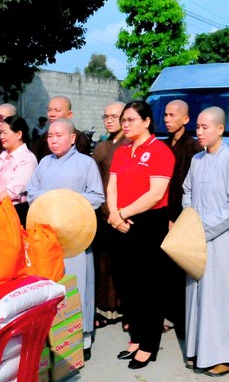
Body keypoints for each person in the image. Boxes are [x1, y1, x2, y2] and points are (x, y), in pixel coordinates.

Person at [26, 119, 104, 359]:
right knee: (51, 285)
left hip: (76, 236)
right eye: (50, 136)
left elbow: (97, 196)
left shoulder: (86, 163)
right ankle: (53, 336)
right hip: (48, 238)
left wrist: (70, 203)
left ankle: (82, 338)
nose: (54, 140)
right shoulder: (43, 164)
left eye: (59, 135)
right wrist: (53, 201)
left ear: (72, 138)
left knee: (78, 285)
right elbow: (31, 192)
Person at [107, 101, 174, 370]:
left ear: (146, 122)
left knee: (148, 286)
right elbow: (112, 185)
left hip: (148, 223)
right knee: (126, 283)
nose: (125, 124)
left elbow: (156, 193)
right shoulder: (121, 151)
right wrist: (114, 214)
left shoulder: (160, 151)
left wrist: (121, 213)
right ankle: (134, 338)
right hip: (120, 221)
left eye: (131, 119)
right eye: (124, 120)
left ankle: (148, 344)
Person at [182, 107, 229, 377]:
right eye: (197, 127)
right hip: (195, 236)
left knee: (218, 296)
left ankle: (223, 355)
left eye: (205, 127)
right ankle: (197, 349)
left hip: (219, 238)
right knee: (196, 293)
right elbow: (187, 191)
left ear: (220, 129)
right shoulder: (197, 159)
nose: (199, 132)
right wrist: (189, 218)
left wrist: (203, 227)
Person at [161, 99, 203, 336]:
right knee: (165, 269)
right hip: (163, 213)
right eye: (165, 115)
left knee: (182, 269)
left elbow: (194, 190)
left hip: (183, 216)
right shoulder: (162, 146)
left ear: (186, 119)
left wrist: (182, 219)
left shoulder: (194, 149)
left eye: (173, 115)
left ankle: (183, 318)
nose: (167, 119)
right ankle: (168, 314)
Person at [91, 101, 128, 328]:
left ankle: (126, 310)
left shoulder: (130, 146)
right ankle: (104, 309)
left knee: (124, 265)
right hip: (103, 213)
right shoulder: (102, 147)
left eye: (114, 116)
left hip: (125, 213)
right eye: (106, 116)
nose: (109, 120)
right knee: (103, 263)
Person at [0, 115, 37, 225]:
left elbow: (13, 190)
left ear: (18, 134)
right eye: (1, 133)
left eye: (5, 133)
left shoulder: (27, 159)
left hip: (12, 213)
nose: (1, 137)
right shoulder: (3, 156)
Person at [32, 96, 91, 160]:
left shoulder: (79, 138)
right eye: (49, 110)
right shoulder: (43, 138)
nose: (51, 114)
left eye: (57, 110)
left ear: (69, 115)